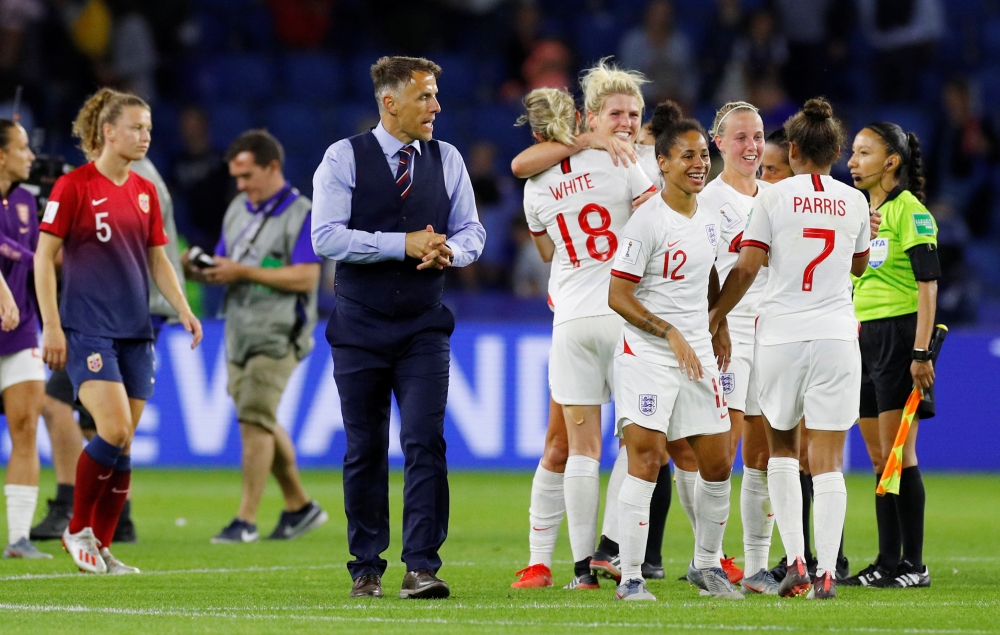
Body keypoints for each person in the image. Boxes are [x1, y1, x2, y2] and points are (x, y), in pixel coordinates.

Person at [311, 56, 485, 599]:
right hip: (359, 323)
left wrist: (450, 251)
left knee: (424, 441)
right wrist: (400, 244)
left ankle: (421, 566)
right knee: (364, 447)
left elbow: (473, 230)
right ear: (390, 102)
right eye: (426, 97)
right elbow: (326, 237)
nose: (436, 106)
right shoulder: (342, 157)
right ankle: (366, 566)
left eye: (435, 96)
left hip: (423, 326)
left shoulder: (448, 158)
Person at [509, 60, 670, 584]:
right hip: (625, 316)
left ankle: (580, 568)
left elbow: (546, 249)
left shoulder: (537, 183)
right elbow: (659, 228)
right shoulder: (628, 165)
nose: (626, 123)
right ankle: (611, 546)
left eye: (632, 114)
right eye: (617, 114)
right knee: (637, 441)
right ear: (588, 117)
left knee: (581, 449)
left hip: (572, 318)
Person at [34, 88, 202, 574]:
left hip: (137, 330)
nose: (146, 135)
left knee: (123, 443)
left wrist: (184, 308)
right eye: (136, 127)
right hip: (89, 328)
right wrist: (52, 325)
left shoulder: (145, 191)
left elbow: (159, 261)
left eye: (149, 127)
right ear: (108, 132)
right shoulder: (74, 186)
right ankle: (76, 528)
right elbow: (46, 257)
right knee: (112, 429)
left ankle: (102, 546)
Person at [710, 97, 871, 600]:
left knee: (782, 449)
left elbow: (747, 265)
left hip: (781, 335)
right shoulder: (856, 201)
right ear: (839, 151)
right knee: (828, 459)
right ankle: (828, 573)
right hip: (837, 337)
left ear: (793, 149)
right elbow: (861, 266)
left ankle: (796, 563)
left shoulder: (773, 197)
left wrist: (716, 314)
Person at [608, 101, 741, 602]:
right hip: (648, 355)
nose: (699, 163)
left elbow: (705, 270)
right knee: (646, 459)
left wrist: (717, 321)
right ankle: (633, 576)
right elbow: (617, 295)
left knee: (719, 462)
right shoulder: (646, 222)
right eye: (687, 155)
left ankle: (706, 565)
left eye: (703, 154)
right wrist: (668, 331)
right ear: (661, 162)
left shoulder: (709, 216)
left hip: (698, 353)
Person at [182, 129, 327, 545]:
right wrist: (200, 268)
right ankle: (300, 506)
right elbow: (229, 262)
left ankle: (245, 519)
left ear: (272, 167)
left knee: (252, 417)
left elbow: (306, 277)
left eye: (247, 176)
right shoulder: (237, 210)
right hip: (240, 328)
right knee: (259, 416)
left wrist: (241, 272)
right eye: (237, 178)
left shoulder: (302, 213)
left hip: (281, 331)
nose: (241, 185)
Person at [842, 122, 938, 589]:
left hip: (901, 338)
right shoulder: (863, 213)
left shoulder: (911, 213)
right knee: (880, 458)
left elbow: (928, 285)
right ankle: (886, 560)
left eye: (863, 153)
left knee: (900, 453)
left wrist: (921, 351)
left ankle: (914, 565)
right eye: (852, 153)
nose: (852, 161)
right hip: (863, 338)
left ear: (891, 162)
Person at [697, 101, 777, 594]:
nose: (751, 147)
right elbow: (703, 268)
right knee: (721, 452)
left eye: (758, 136)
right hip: (728, 333)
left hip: (772, 333)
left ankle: (755, 567)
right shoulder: (708, 201)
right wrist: (717, 321)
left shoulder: (775, 196)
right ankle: (707, 559)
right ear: (719, 142)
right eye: (741, 138)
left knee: (763, 453)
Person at [0, 118, 49, 559]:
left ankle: (19, 537)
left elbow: (40, 265)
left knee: (25, 427)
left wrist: (50, 322)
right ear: (1, 155)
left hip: (20, 333)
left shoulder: (25, 202)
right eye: (23, 147)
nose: (30, 155)